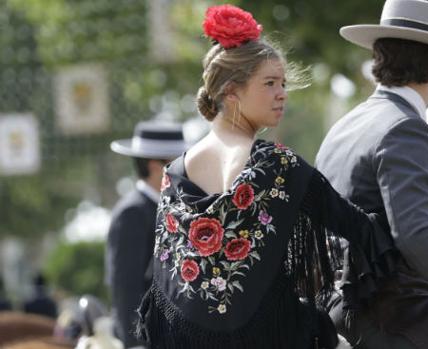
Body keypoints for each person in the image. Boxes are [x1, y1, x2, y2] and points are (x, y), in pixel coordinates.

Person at [135, 5, 397, 349]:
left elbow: (168, 299)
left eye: (283, 83)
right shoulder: (277, 165)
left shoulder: (174, 174)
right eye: (270, 83)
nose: (282, 93)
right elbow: (362, 230)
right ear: (231, 91)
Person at [315, 1, 428, 347]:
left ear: (379, 57)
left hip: (333, 306)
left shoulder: (344, 126)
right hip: (390, 311)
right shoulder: (406, 127)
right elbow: (415, 233)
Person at [105, 120, 187, 348]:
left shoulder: (170, 207)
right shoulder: (133, 213)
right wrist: (136, 342)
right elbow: (125, 286)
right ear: (154, 166)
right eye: (178, 162)